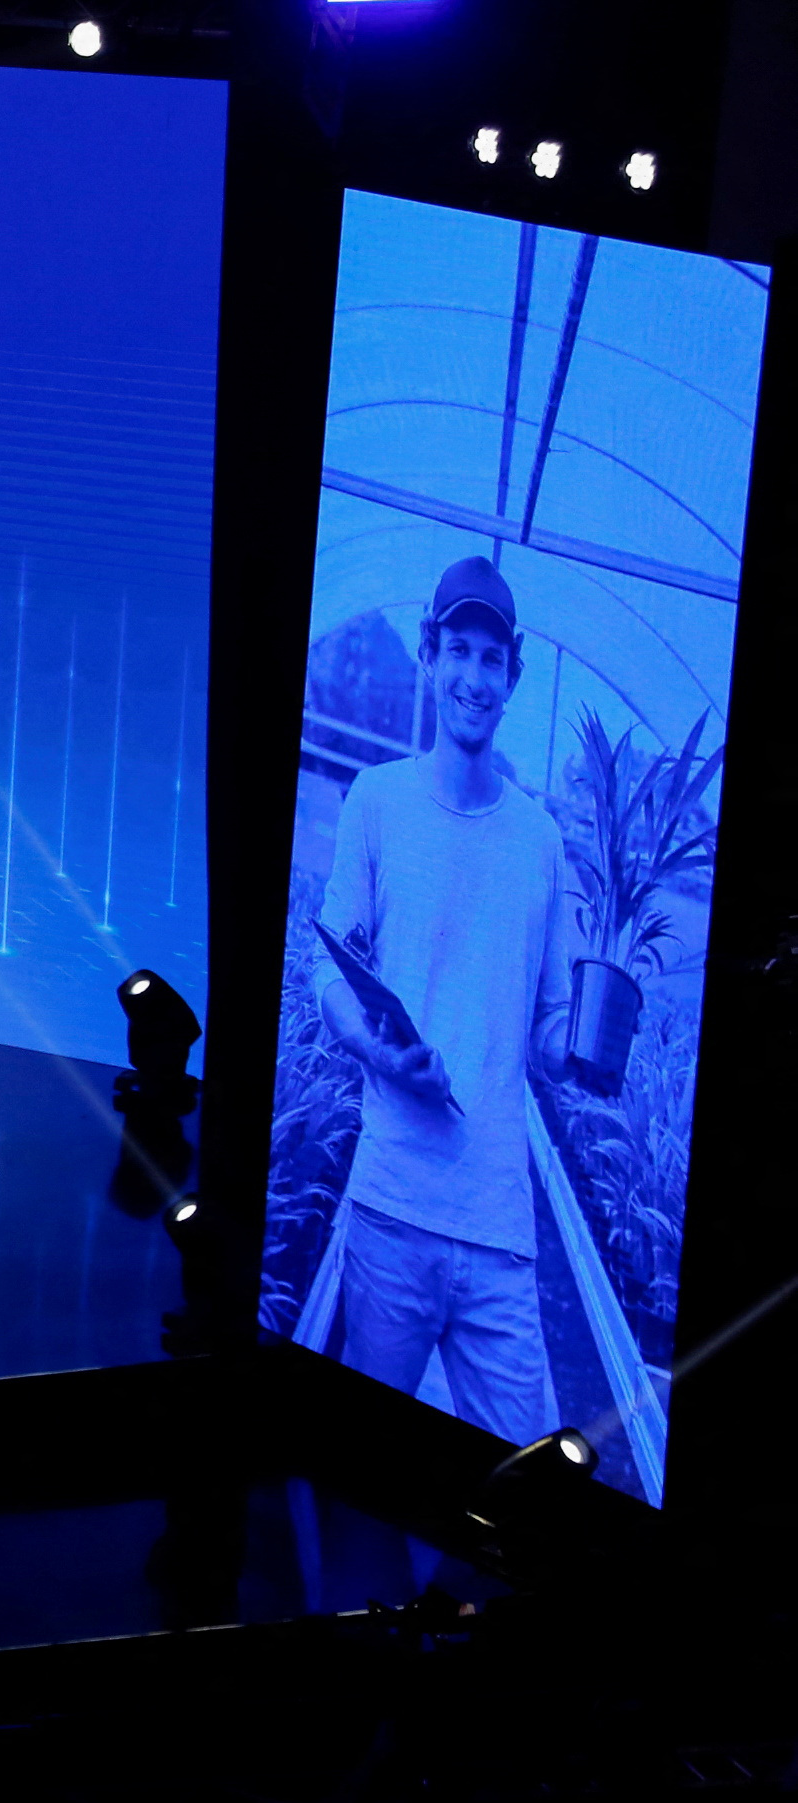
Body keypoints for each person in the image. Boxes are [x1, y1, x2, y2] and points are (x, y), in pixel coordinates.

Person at [306, 554, 576, 1444]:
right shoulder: (378, 802)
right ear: (429, 656)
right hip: (391, 1208)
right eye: (458, 650)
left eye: (492, 659)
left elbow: (547, 1030)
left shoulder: (541, 841)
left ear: (513, 677)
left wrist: (583, 1044)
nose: (474, 677)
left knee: (520, 1477)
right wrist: (378, 1052)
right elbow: (329, 970)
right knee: (366, 1468)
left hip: (499, 1226)